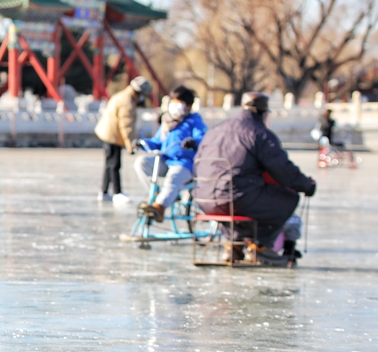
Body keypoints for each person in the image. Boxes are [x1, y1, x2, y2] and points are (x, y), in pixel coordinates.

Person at [194, 91, 316, 265]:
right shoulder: (259, 133)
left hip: (203, 196)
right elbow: (282, 170)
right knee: (287, 198)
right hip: (237, 197)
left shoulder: (215, 130)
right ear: (263, 113)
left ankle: (234, 245)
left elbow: (197, 164)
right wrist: (306, 185)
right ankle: (260, 247)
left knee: (234, 201)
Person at [134, 86, 208, 222]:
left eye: (178, 102)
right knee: (141, 163)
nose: (174, 106)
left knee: (173, 178)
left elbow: (204, 138)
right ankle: (155, 194)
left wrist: (193, 142)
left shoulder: (194, 121)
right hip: (165, 160)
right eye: (173, 102)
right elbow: (157, 142)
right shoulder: (168, 122)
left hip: (184, 164)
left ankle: (159, 207)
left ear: (188, 105)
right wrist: (142, 143)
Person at [94, 76, 153, 205]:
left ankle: (104, 192)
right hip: (112, 134)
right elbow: (127, 127)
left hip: (108, 132)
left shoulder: (124, 96)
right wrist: (131, 146)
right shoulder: (127, 102)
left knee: (109, 164)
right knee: (114, 164)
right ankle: (117, 192)